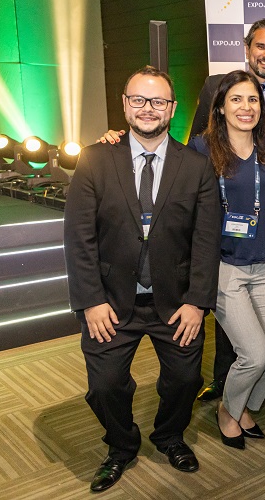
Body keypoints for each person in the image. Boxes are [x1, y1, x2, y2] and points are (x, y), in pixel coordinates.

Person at [64, 66, 221, 492]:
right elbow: (78, 238)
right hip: (110, 303)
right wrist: (91, 301)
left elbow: (206, 241)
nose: (147, 109)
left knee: (186, 381)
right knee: (105, 385)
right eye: (138, 99)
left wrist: (198, 302)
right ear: (125, 105)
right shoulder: (95, 159)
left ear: (172, 108)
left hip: (177, 302)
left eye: (157, 101)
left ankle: (169, 436)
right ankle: (120, 445)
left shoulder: (196, 167)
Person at [194, 19, 265, 405]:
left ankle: (257, 392)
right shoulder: (213, 97)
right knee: (241, 341)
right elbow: (189, 153)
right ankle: (228, 389)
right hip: (223, 254)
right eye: (261, 47)